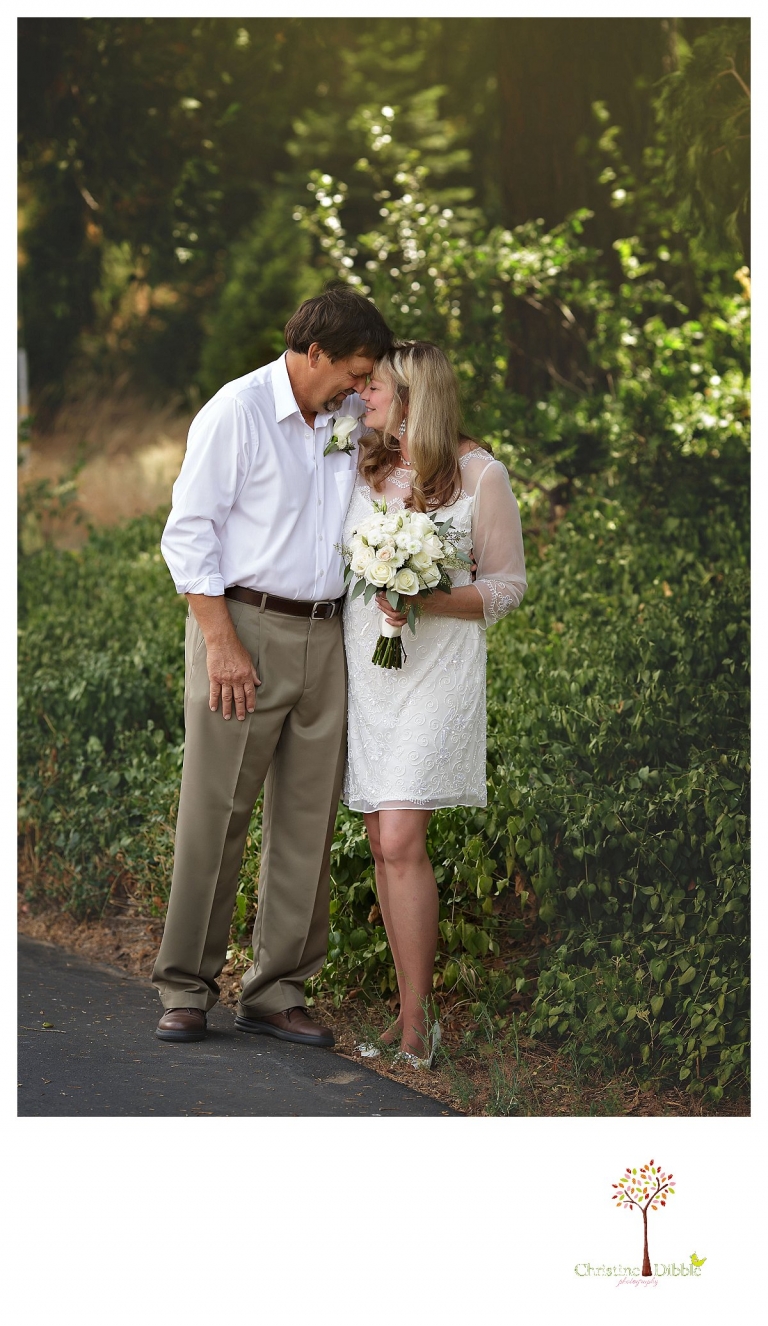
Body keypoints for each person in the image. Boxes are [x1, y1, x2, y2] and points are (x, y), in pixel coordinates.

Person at [152, 286, 393, 1044]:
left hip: (330, 634)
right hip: (243, 628)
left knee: (307, 819)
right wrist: (221, 643)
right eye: (354, 370)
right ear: (313, 351)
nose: (361, 386)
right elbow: (188, 533)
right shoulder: (238, 411)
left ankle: (277, 986)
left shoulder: (349, 418)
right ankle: (186, 985)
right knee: (216, 812)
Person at [342, 341, 527, 1066]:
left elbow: (509, 584)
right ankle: (405, 1007)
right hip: (369, 669)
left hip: (436, 672)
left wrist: (430, 596)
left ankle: (421, 1025)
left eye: (378, 389)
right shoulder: (367, 462)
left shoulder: (481, 476)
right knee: (377, 841)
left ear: (415, 397)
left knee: (399, 839)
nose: (365, 400)